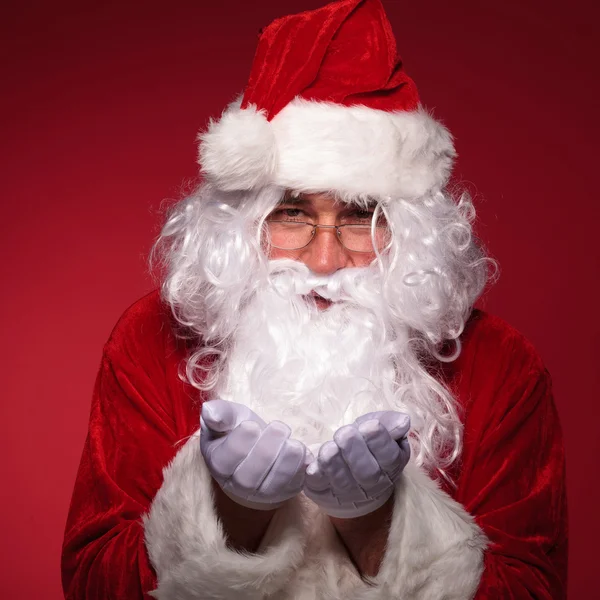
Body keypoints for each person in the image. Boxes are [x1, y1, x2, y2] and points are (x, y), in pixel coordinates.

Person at [61, 0, 568, 598]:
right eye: (293, 212)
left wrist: (377, 522)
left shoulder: (501, 364)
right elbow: (93, 583)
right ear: (240, 223)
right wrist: (227, 513)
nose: (325, 261)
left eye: (362, 216)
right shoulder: (148, 338)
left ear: (412, 232)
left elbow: (532, 588)